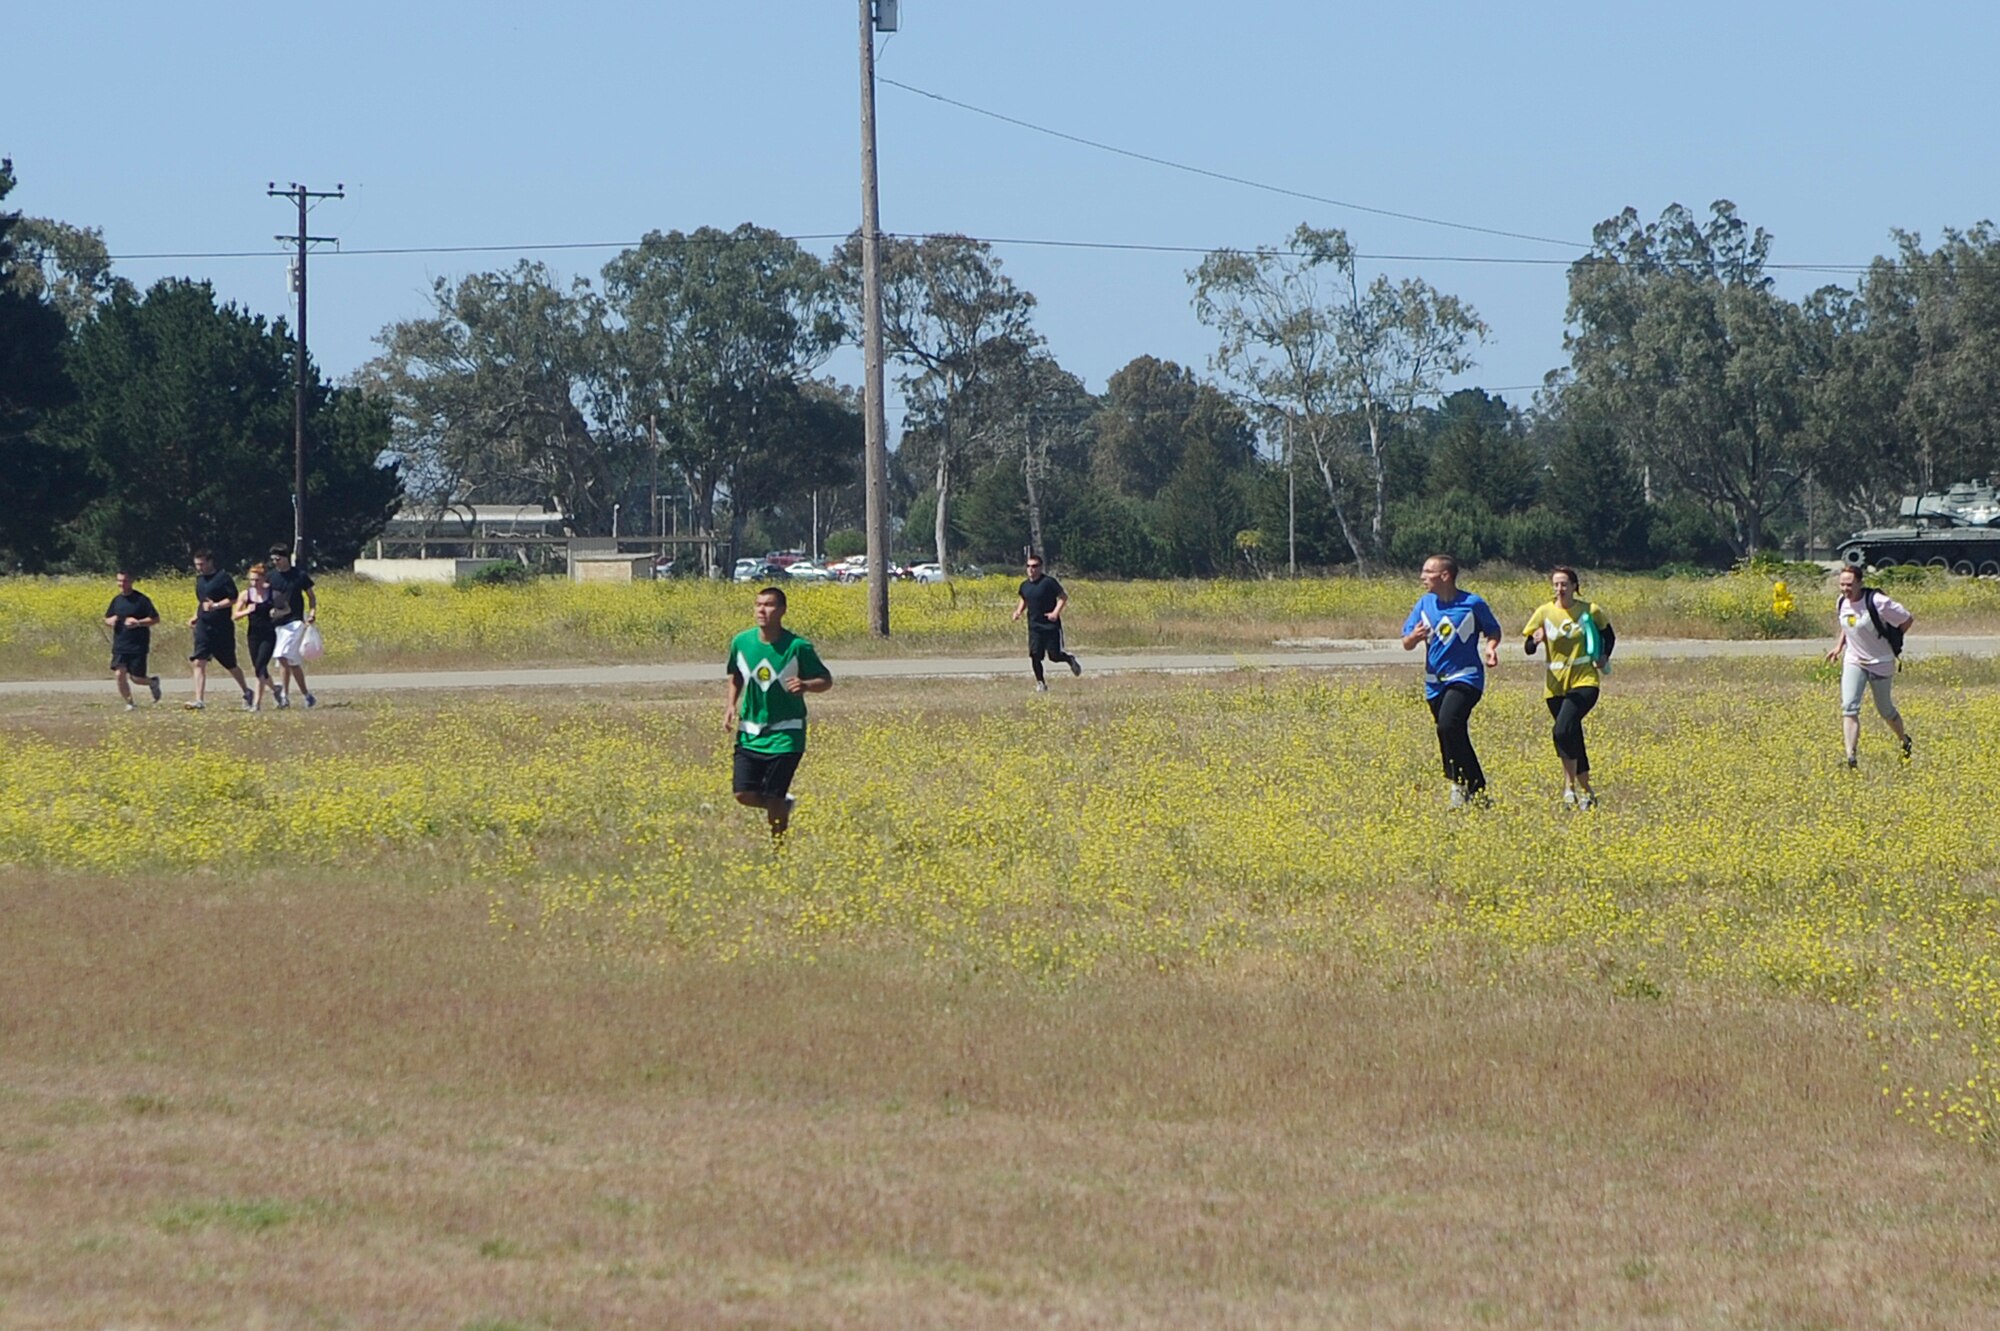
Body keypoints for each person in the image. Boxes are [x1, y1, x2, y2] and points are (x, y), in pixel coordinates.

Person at [726, 586, 833, 836]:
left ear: (782, 611)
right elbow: (736, 676)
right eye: (758, 604)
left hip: (787, 734)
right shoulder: (741, 642)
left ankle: (779, 851)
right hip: (750, 732)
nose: (762, 610)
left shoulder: (797, 647)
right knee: (742, 794)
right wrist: (731, 705)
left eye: (769, 605)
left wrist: (806, 685)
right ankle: (782, 806)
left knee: (774, 793)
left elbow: (826, 680)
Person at [1400, 553, 1502, 806]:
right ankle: (1470, 787)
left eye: (1427, 572)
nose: (1422, 577)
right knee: (1449, 732)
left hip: (1466, 677)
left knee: (1449, 724)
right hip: (1435, 681)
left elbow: (1493, 630)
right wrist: (1414, 636)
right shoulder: (1424, 605)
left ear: (1444, 576)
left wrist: (1491, 648)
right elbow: (1406, 643)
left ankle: (1463, 786)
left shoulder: (1472, 603)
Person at [1522, 566, 1615, 810]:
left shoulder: (1589, 610)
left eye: (1564, 584)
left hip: (1585, 681)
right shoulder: (1544, 612)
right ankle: (1588, 793)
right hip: (1555, 686)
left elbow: (1609, 635)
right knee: (1572, 735)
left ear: (1574, 586)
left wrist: (1604, 655)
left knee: (1562, 730)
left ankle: (1568, 789)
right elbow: (1528, 648)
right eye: (1556, 585)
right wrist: (1535, 639)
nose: (1560, 589)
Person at [1827, 566, 1913, 769]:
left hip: (1880, 662)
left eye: (1849, 584)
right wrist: (1839, 647)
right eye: (1842, 584)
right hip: (1854, 660)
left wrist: (1893, 636)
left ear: (1859, 583)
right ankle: (1851, 757)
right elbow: (1846, 624)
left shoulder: (1877, 602)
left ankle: (1905, 741)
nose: (1845, 589)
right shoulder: (1841, 602)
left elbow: (1906, 619)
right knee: (1849, 707)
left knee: (1885, 710)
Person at [186, 550, 255, 711]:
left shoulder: (223, 578)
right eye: (197, 565)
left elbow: (233, 598)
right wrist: (196, 615)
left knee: (229, 663)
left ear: (210, 562)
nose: (199, 568)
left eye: (202, 564)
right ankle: (199, 700)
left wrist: (216, 606)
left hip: (222, 627)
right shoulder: (200, 580)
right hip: (204, 626)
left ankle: (246, 691)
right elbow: (203, 602)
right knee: (199, 661)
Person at [1011, 554, 1082, 692]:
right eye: (1029, 566)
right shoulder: (1024, 585)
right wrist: (1018, 611)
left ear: (1041, 567)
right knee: (1035, 655)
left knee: (1054, 656)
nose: (1031, 569)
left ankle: (1069, 659)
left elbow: (1063, 597)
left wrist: (1056, 613)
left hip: (1050, 626)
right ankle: (1041, 683)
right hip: (1034, 626)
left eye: (1035, 566)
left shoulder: (1049, 582)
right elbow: (1024, 599)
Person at [266, 544, 317, 709]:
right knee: (293, 662)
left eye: (278, 559)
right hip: (277, 624)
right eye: (273, 559)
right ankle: (307, 695)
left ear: (286, 558)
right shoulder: (271, 577)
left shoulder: (299, 575)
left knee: (281, 656)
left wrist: (312, 612)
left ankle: (284, 697)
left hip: (295, 622)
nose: (275, 562)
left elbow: (311, 596)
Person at [103, 569, 163, 711]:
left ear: (131, 581)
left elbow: (155, 619)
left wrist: (139, 623)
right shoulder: (116, 601)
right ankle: (130, 703)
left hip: (138, 645)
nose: (122, 584)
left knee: (136, 678)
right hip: (120, 644)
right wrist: (110, 620)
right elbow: (107, 618)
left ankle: (152, 682)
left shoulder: (141, 600)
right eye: (119, 581)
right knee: (119, 674)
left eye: (125, 581)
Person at [233, 563, 280, 712]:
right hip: (253, 634)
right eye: (251, 580)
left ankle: (256, 704)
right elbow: (235, 615)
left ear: (264, 578)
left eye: (257, 580)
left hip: (269, 634)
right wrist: (247, 611)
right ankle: (275, 689)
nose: (254, 583)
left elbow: (286, 608)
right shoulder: (246, 594)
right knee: (259, 668)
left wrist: (276, 613)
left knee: (260, 666)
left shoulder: (272, 593)